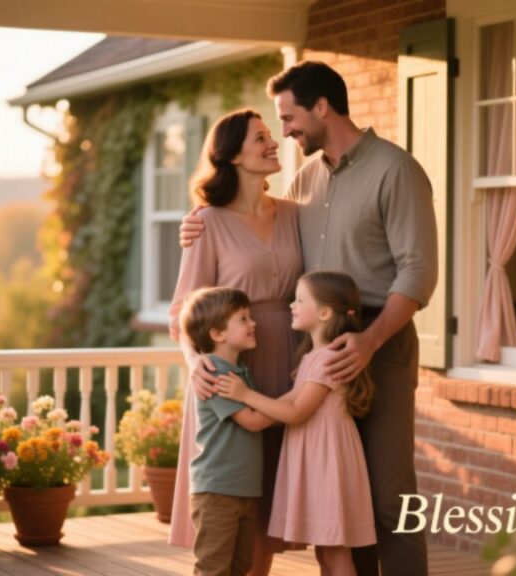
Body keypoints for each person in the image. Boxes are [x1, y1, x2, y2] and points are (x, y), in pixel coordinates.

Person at [181, 61, 438, 576]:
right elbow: (253, 227)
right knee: (345, 494)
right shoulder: (304, 180)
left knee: (389, 495)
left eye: (289, 116)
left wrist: (368, 340)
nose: (285, 131)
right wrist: (200, 220)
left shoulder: (395, 169)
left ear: (321, 107)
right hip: (313, 348)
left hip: (378, 337)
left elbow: (419, 271)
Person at [168, 108, 305, 575]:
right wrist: (195, 363)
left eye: (272, 134)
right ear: (231, 156)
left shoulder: (294, 214)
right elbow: (182, 313)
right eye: (260, 138)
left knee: (266, 501)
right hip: (232, 372)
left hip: (289, 364)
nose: (273, 143)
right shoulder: (206, 222)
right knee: (236, 494)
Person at [216, 271, 376, 576]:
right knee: (325, 554)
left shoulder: (329, 359)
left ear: (325, 312)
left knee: (336, 553)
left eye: (300, 300)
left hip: (327, 459)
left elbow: (297, 412)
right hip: (316, 454)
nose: (292, 305)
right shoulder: (312, 356)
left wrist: (245, 394)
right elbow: (290, 399)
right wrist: (253, 416)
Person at [179, 287, 278, 576]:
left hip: (243, 489)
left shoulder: (240, 372)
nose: (253, 323)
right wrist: (289, 411)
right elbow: (252, 421)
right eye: (243, 319)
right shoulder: (217, 374)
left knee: (240, 566)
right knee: (213, 568)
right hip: (217, 491)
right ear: (217, 334)